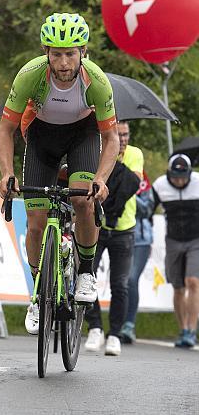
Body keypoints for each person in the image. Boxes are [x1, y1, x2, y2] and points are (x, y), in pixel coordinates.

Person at [0, 12, 119, 335]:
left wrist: (101, 179)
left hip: (83, 137)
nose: (63, 63)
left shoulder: (97, 81)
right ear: (46, 52)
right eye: (56, 54)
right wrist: (7, 174)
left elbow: (111, 139)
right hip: (41, 139)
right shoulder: (30, 76)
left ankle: (86, 272)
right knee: (35, 224)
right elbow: (5, 130)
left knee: (83, 202)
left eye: (70, 54)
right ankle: (38, 294)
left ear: (83, 52)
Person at [84, 121, 143, 356]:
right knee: (86, 276)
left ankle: (115, 334)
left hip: (124, 228)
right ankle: (95, 327)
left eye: (126, 134)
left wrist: (112, 165)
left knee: (121, 284)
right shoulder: (99, 153)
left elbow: (131, 184)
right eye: (119, 135)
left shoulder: (135, 154)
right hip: (97, 226)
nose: (124, 139)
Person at [151, 154, 199, 348]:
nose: (180, 181)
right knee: (178, 287)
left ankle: (191, 330)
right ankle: (183, 329)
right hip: (173, 240)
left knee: (193, 282)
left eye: (183, 176)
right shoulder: (160, 185)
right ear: (169, 173)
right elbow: (147, 210)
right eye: (176, 176)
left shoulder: (198, 182)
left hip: (196, 239)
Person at [119, 171, 154, 343]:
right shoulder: (116, 174)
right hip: (121, 235)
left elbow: (148, 209)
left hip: (141, 241)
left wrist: (131, 194)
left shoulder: (144, 183)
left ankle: (129, 325)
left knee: (132, 280)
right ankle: (118, 325)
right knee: (120, 282)